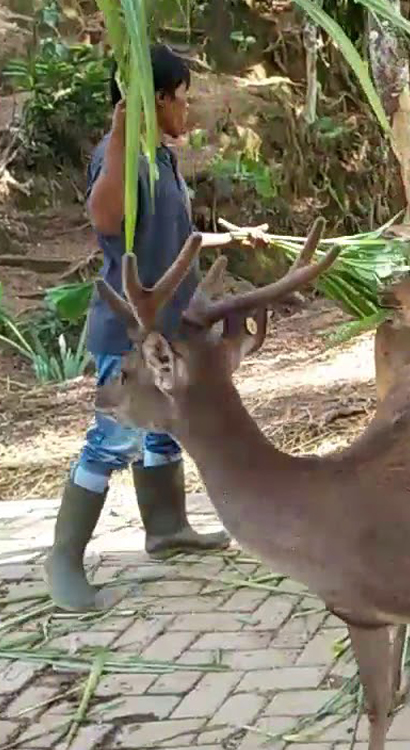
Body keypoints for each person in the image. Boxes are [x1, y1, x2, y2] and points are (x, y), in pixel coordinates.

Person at [45, 43, 268, 611]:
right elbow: (105, 218)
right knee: (113, 439)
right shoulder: (118, 156)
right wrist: (122, 131)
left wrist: (230, 239)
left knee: (165, 429)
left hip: (168, 330)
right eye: (181, 100)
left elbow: (170, 237)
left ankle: (166, 528)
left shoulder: (161, 157)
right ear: (157, 99)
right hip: (130, 333)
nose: (187, 113)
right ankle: (63, 559)